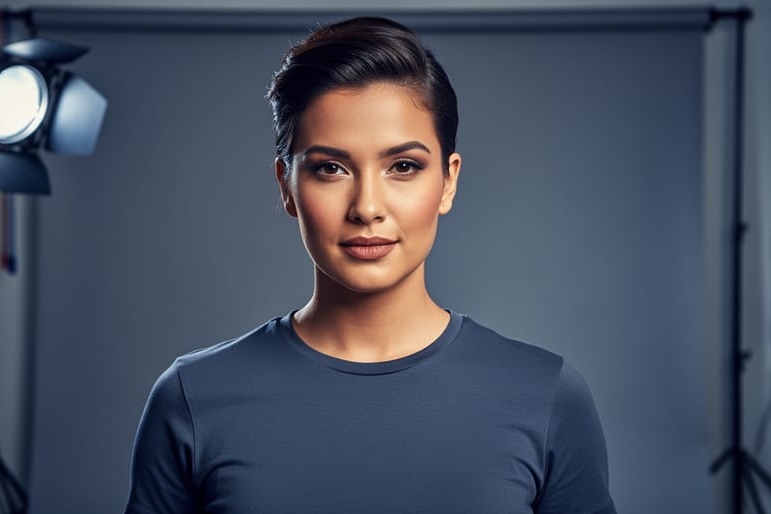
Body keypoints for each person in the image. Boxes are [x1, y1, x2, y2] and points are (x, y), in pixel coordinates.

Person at [125, 16, 614, 514]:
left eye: (403, 166)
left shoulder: (546, 395)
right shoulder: (192, 398)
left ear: (448, 181)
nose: (367, 206)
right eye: (330, 168)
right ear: (286, 186)